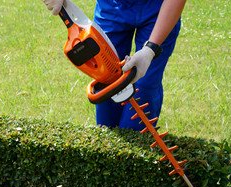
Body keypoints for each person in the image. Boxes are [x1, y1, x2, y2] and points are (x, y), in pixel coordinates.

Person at [42, 0, 187, 131]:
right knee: (106, 78)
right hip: (112, 6)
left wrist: (150, 50)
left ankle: (135, 153)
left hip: (159, 7)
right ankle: (109, 146)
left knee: (145, 85)